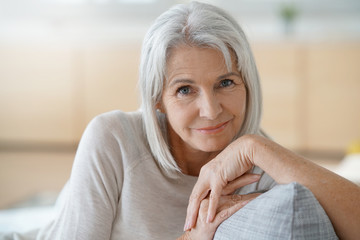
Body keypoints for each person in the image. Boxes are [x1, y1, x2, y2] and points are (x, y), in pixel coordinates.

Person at [3, 1, 359, 240]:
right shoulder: (111, 139)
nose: (211, 109)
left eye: (225, 83)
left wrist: (257, 146)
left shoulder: (256, 157)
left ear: (247, 84)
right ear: (157, 97)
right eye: (185, 89)